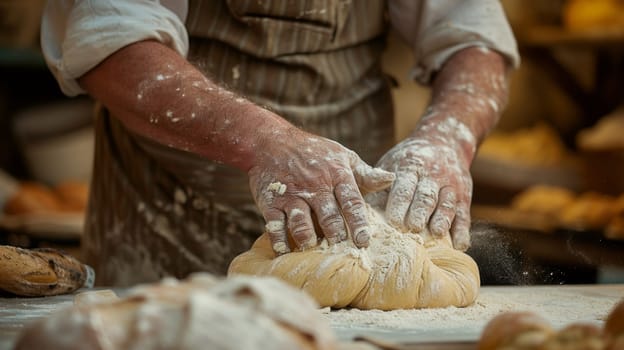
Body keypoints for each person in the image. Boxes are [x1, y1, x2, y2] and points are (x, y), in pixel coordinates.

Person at [41, 1, 519, 286]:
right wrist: (266, 141)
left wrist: (446, 138)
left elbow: (474, 39)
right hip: (164, 220)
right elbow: (109, 44)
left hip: (353, 229)